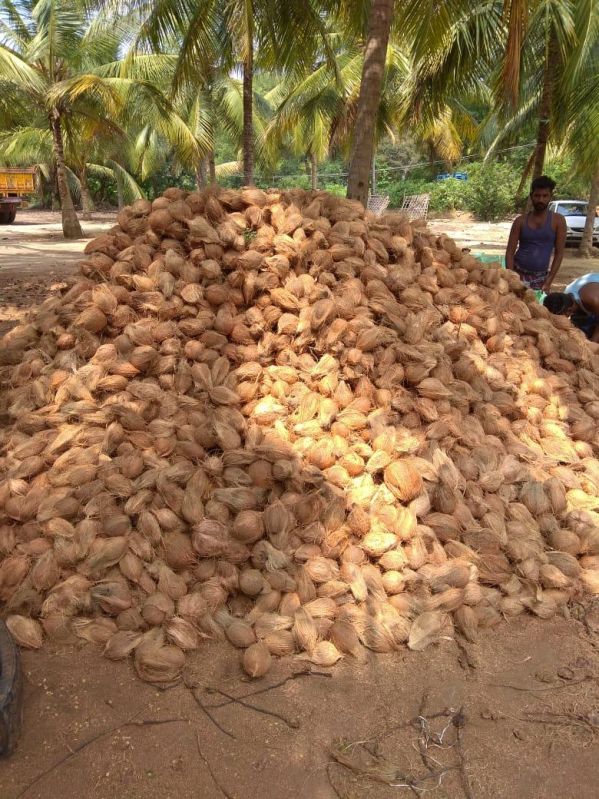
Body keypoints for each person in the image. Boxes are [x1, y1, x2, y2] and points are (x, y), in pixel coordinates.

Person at [505, 175, 567, 291]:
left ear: (550, 197)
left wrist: (548, 282)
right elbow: (509, 252)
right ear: (531, 196)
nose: (541, 200)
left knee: (537, 308)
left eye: (545, 196)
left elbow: (559, 254)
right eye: (537, 196)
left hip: (541, 278)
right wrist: (511, 278)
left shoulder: (558, 221)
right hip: (518, 273)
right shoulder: (520, 221)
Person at [543, 273, 599, 341]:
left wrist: (593, 342)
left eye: (561, 316)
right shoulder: (566, 296)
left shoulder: (594, 300)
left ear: (568, 311)